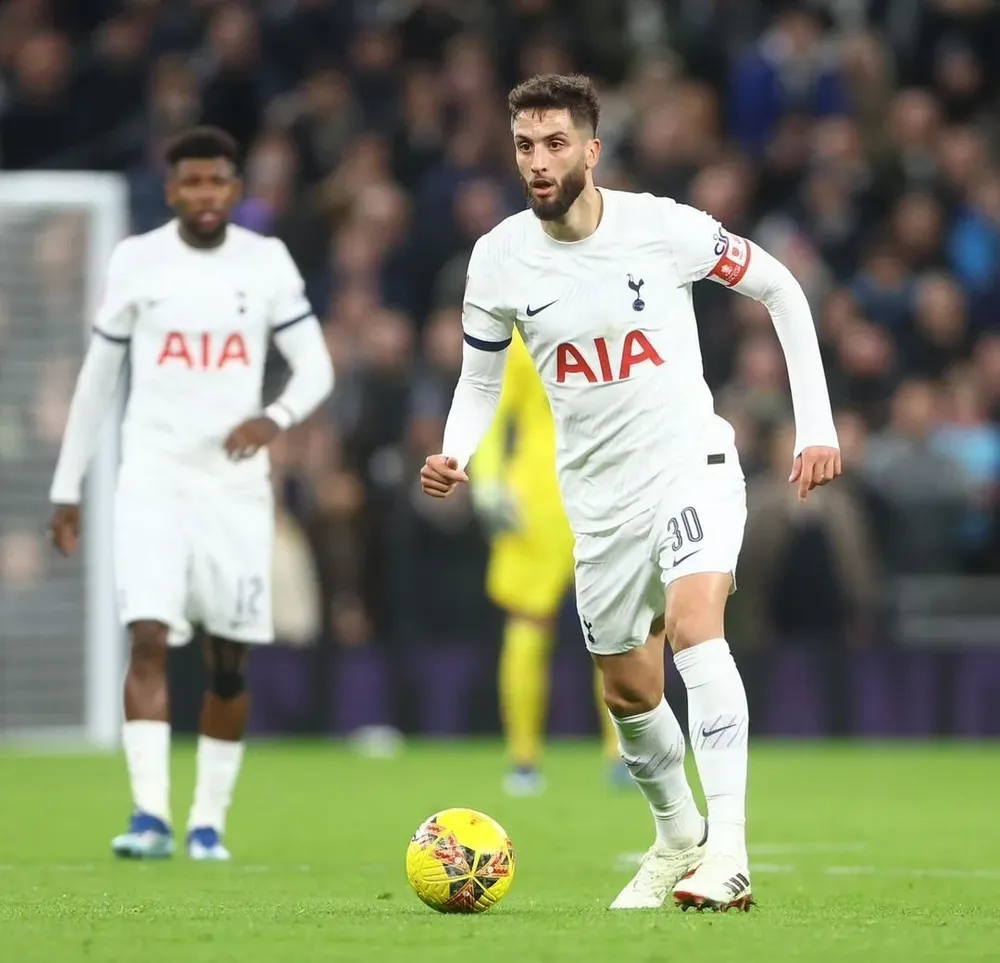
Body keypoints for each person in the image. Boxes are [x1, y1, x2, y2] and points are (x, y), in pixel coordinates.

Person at [420, 74, 840, 912]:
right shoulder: (498, 256)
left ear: (591, 150)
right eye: (524, 147)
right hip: (599, 504)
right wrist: (454, 452)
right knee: (627, 690)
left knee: (693, 627)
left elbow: (782, 288)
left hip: (691, 464)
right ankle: (676, 835)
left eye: (554, 144)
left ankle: (729, 851)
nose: (538, 163)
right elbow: (478, 381)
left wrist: (816, 425)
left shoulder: (662, 227)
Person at [48, 126, 335, 861]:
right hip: (153, 477)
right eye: (192, 183)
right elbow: (98, 377)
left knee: (228, 657)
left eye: (218, 183)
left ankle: (208, 821)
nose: (205, 196)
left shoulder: (265, 261)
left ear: (236, 189)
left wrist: (273, 418)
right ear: (170, 188)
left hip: (233, 490)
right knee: (146, 634)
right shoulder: (138, 260)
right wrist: (67, 483)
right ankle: (150, 816)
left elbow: (315, 368)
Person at [469, 329, 623, 797]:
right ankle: (541, 756)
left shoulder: (523, 323)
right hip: (578, 490)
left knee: (608, 624)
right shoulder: (611, 315)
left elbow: (489, 402)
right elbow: (493, 404)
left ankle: (537, 759)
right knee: (606, 624)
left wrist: (489, 479)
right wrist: (488, 480)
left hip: (565, 487)